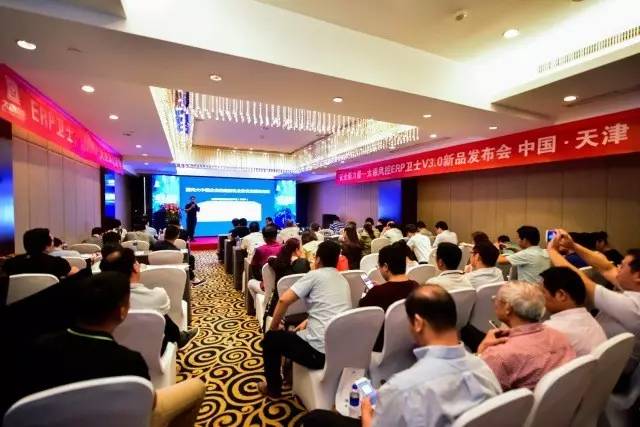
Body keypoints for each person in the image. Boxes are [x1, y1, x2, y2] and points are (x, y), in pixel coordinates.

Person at [9, 272, 205, 427]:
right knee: (197, 387)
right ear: (122, 312)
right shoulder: (128, 360)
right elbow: (147, 402)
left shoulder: (35, 348)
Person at [303, 285, 501, 427]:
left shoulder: (402, 387)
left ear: (418, 323)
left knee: (316, 419)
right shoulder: (484, 369)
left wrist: (366, 414)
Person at [258, 240, 351, 398]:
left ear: (318, 259)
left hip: (319, 354)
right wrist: (307, 320)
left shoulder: (314, 275)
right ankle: (289, 375)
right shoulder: (342, 279)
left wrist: (273, 327)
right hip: (340, 350)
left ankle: (273, 388)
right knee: (293, 334)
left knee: (271, 339)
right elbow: (328, 309)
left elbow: (283, 300)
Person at [546, 229, 640, 385]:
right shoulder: (633, 290)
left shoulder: (634, 307)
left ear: (638, 277)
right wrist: (573, 245)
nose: (617, 267)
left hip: (611, 374)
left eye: (622, 266)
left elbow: (582, 282)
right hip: (605, 360)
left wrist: (552, 251)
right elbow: (606, 267)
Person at [477, 281, 575, 391]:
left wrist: (480, 353)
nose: (494, 302)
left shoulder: (497, 355)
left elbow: (478, 391)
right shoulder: (560, 337)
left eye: (496, 299)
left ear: (508, 308)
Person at [99, 247, 198, 350]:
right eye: (136, 262)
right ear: (135, 268)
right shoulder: (157, 295)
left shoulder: (97, 303)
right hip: (156, 352)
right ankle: (179, 338)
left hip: (111, 352)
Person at [358, 243, 419, 351]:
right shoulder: (416, 286)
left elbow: (361, 313)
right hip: (410, 345)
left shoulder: (377, 293)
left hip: (381, 349)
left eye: (379, 266)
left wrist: (366, 292)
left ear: (386, 267)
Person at [540, 267, 607, 356]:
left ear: (561, 295)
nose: (540, 297)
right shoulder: (589, 318)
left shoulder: (550, 330)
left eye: (543, 292)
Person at [264, 239, 311, 322]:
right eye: (301, 248)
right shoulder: (304, 264)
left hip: (279, 307)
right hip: (302, 307)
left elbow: (270, 259)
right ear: (296, 250)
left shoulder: (277, 263)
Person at [2, 228, 78, 279]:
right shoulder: (58, 263)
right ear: (47, 246)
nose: (53, 243)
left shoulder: (10, 263)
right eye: (52, 241)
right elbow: (75, 273)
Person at [247, 225, 282, 301]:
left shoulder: (259, 250)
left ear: (263, 237)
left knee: (250, 283)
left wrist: (262, 280)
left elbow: (253, 268)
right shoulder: (284, 248)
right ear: (276, 236)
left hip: (267, 287)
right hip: (282, 285)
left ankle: (260, 305)